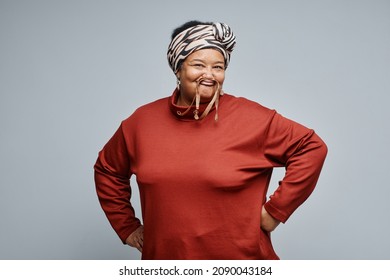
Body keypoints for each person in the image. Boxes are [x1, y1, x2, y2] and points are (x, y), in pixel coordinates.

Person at [94, 20, 327, 260]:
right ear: (178, 68)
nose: (209, 75)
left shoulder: (252, 118)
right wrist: (127, 227)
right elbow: (107, 170)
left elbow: (311, 148)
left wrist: (275, 211)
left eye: (218, 67)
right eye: (198, 65)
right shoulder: (141, 122)